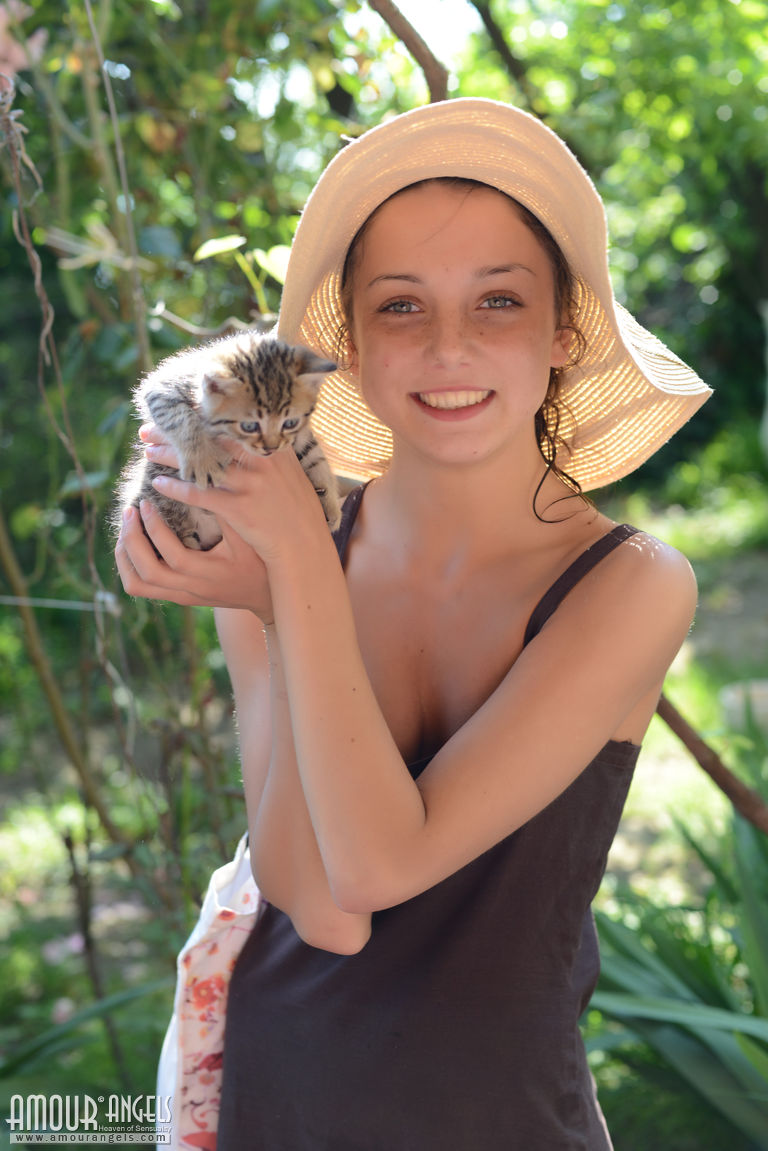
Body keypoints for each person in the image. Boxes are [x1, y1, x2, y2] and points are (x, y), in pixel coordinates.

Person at [116, 99, 711, 1148]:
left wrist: (293, 575)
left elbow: (378, 866)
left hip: (497, 1119)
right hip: (275, 1104)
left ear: (564, 330)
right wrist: (279, 592)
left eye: (498, 300)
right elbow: (321, 907)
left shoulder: (629, 585)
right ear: (347, 342)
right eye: (401, 306)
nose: (448, 346)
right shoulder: (283, 548)